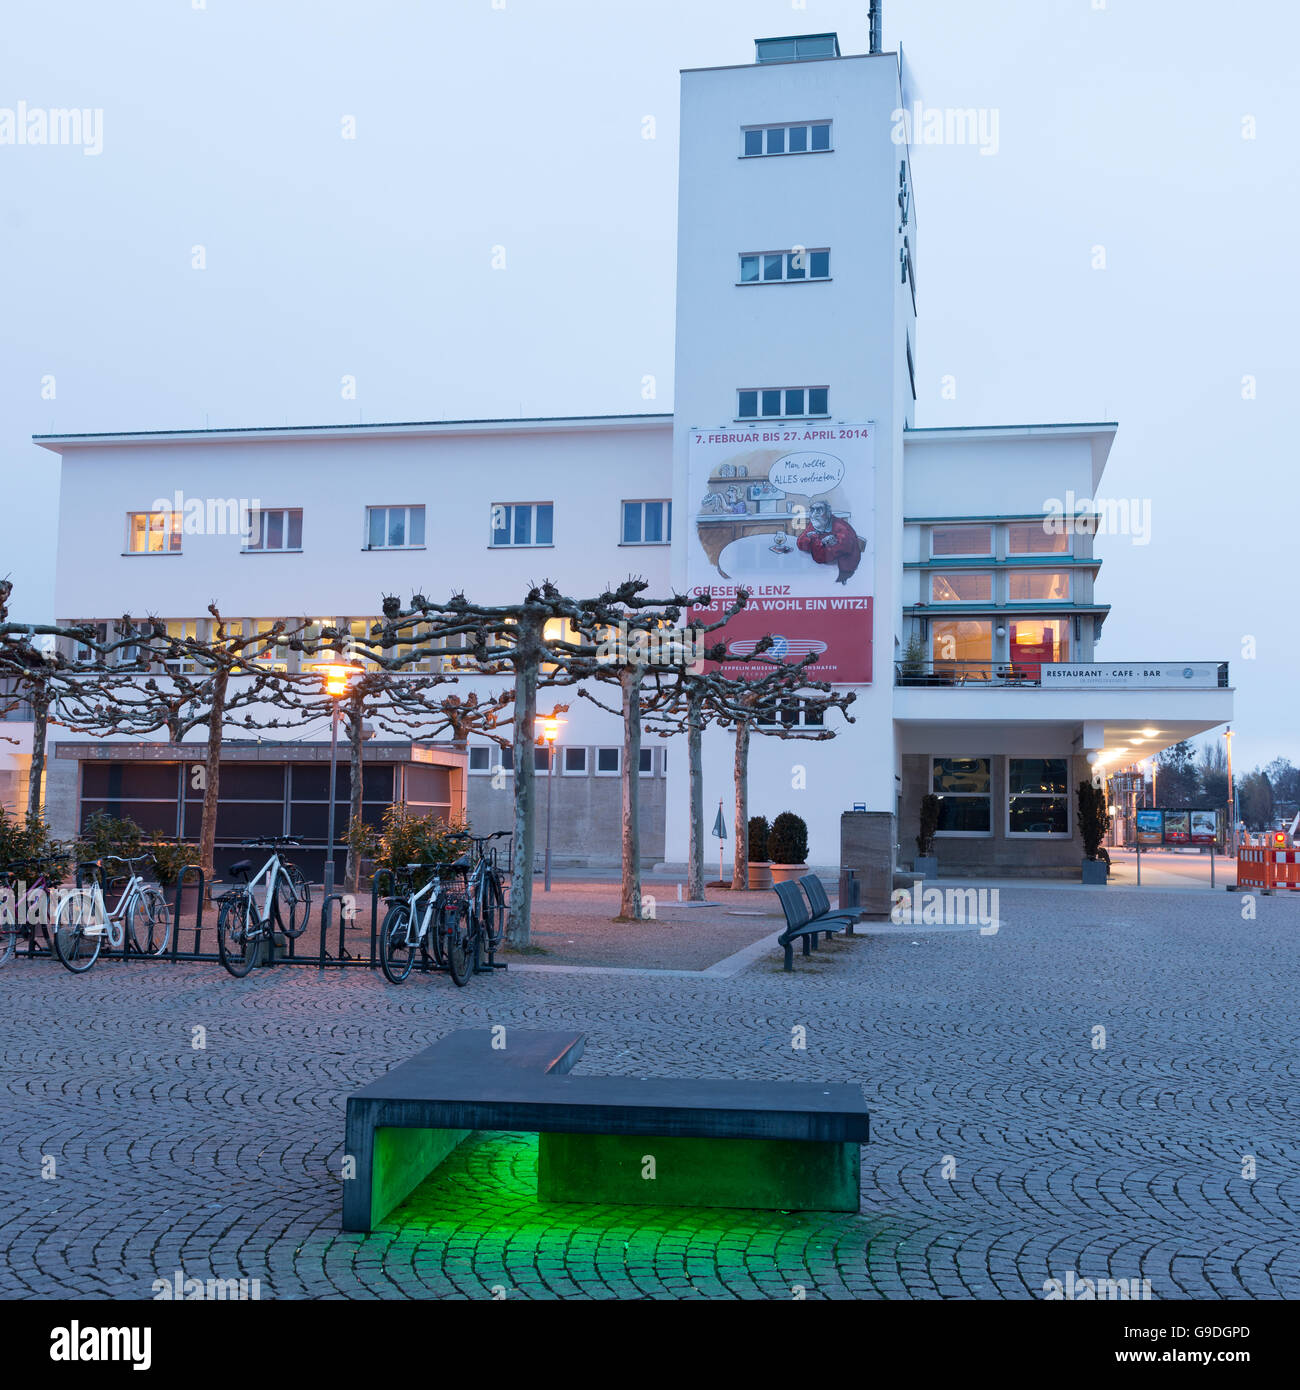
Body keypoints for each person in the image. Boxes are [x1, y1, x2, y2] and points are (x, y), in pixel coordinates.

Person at [795, 499, 861, 584]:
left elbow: (821, 557)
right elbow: (801, 544)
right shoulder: (817, 522)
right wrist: (819, 541)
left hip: (842, 573)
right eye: (812, 510)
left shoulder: (842, 530)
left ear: (828, 512)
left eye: (819, 509)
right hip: (825, 569)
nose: (814, 513)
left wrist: (813, 539)